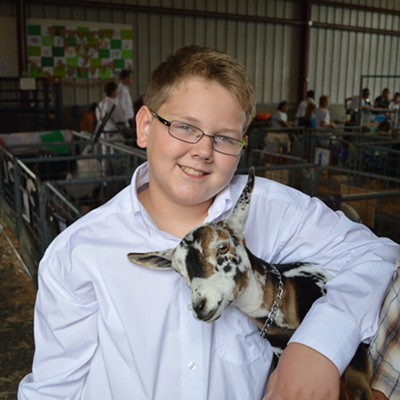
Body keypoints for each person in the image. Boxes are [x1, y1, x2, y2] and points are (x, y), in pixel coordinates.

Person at [18, 45, 399, 400]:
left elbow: (377, 253)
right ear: (145, 126)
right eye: (184, 126)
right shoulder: (79, 253)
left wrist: (320, 345)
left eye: (224, 138)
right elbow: (53, 389)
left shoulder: (273, 210)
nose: (202, 151)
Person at [117, 68, 135, 137]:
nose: (132, 80)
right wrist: (127, 124)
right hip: (126, 122)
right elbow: (122, 108)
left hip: (129, 120)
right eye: (131, 78)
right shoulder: (121, 91)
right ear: (126, 78)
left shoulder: (125, 89)